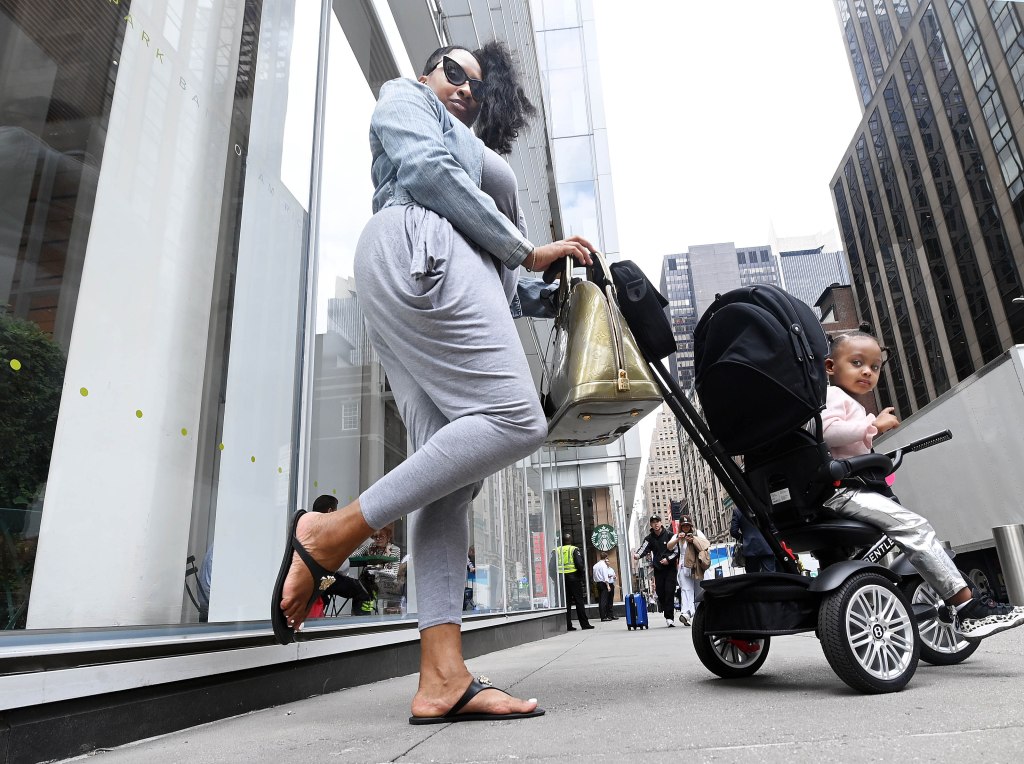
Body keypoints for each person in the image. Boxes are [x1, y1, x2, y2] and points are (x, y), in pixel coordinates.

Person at [273, 42, 595, 724]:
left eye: (477, 90)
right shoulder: (405, 99)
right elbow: (424, 169)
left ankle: (441, 678)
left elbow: (496, 274)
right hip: (417, 250)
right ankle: (330, 534)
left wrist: (543, 288)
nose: (464, 91)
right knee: (515, 419)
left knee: (446, 485)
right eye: (454, 73)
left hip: (436, 268)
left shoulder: (470, 162)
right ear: (428, 72)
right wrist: (524, 247)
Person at [818, 331, 1024, 640]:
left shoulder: (843, 401)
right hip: (846, 492)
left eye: (874, 367)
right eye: (857, 362)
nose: (867, 372)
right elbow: (830, 433)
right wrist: (873, 425)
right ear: (830, 367)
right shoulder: (834, 397)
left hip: (842, 489)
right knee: (915, 528)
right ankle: (969, 609)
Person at [633, 516, 678, 627]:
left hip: (670, 568)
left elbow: (677, 551)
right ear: (651, 525)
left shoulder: (669, 535)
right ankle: (666, 610)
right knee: (661, 592)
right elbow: (644, 548)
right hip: (658, 569)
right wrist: (638, 555)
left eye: (657, 521)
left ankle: (669, 618)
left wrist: (668, 559)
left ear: (661, 523)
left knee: (669, 591)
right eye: (653, 522)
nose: (656, 524)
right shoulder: (649, 538)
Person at [667, 515, 708, 626]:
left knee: (700, 591)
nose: (685, 527)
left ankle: (700, 614)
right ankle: (686, 613)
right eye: (683, 525)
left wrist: (693, 539)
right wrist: (678, 539)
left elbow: (706, 544)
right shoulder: (678, 536)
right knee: (686, 590)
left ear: (691, 525)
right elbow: (669, 547)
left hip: (698, 565)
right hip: (684, 566)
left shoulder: (698, 533)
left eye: (687, 525)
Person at [550, 532, 595, 631]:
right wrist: (581, 576)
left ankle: (567, 625)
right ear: (570, 540)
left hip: (561, 579)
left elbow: (551, 568)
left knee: (566, 603)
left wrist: (556, 578)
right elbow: (579, 564)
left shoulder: (556, 550)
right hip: (574, 579)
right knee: (579, 601)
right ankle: (584, 624)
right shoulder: (573, 549)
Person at [730, 507, 777, 574]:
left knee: (753, 577)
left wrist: (743, 539)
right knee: (770, 575)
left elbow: (733, 532)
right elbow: (772, 527)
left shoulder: (737, 511)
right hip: (766, 546)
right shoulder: (760, 506)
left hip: (750, 549)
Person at [592, 552, 617, 621]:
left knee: (600, 600)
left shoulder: (595, 565)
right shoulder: (603, 565)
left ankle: (603, 615)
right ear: (606, 557)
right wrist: (608, 585)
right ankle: (604, 617)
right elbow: (605, 577)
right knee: (604, 600)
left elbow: (594, 576)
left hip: (598, 583)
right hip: (603, 584)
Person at [464, 546, 476, 612]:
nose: (475, 555)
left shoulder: (467, 558)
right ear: (471, 551)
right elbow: (470, 566)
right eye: (474, 553)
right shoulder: (466, 557)